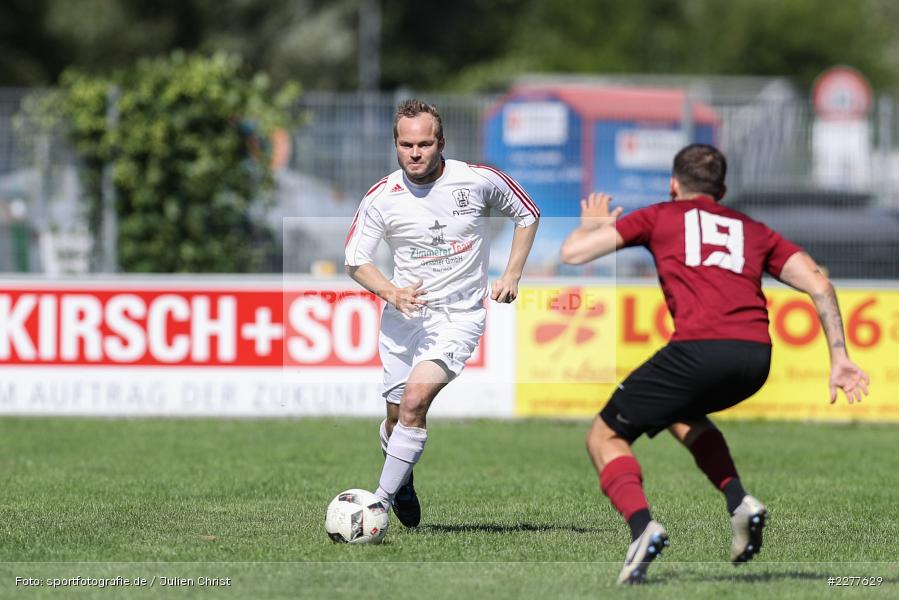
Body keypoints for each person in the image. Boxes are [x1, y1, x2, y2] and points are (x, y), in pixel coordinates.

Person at [560, 143, 870, 584]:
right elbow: (820, 285)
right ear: (721, 190)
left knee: (604, 435)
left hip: (700, 349)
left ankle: (642, 527)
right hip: (755, 358)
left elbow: (573, 254)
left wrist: (590, 226)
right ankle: (739, 501)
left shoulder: (659, 216)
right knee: (678, 412)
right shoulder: (754, 230)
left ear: (673, 184)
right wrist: (839, 358)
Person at [344, 99, 539, 527]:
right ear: (396, 144)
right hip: (403, 319)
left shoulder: (479, 180)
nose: (415, 153)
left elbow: (527, 214)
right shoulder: (382, 196)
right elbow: (356, 260)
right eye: (406, 145)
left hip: (458, 317)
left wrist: (511, 273)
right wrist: (392, 292)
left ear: (441, 142)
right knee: (396, 415)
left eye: (425, 144)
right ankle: (403, 481)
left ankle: (375, 505)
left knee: (415, 402)